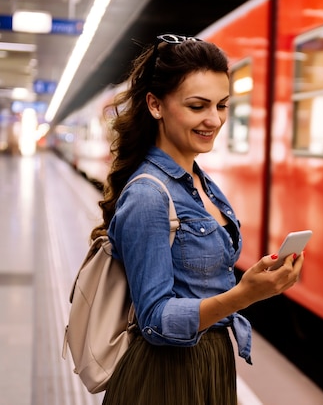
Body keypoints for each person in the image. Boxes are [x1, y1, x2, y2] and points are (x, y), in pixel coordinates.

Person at [90, 34, 304, 404]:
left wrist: (257, 289)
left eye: (222, 105)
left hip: (208, 366)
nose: (214, 120)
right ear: (156, 105)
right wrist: (242, 296)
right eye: (197, 106)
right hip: (167, 379)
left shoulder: (201, 183)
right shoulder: (148, 196)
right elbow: (155, 320)